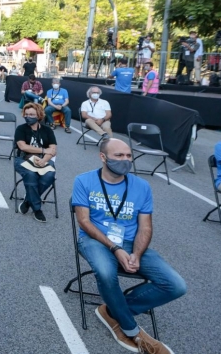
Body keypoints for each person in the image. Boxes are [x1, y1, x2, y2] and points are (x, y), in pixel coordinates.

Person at [71, 138, 186, 353]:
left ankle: (113, 311)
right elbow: (84, 222)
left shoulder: (141, 186)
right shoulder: (84, 181)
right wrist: (115, 249)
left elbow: (145, 227)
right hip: (94, 240)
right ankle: (133, 332)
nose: (125, 160)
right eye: (119, 155)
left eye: (128, 156)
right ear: (103, 157)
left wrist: (137, 254)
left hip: (131, 243)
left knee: (176, 285)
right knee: (106, 273)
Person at [14, 103, 57, 223]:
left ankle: (28, 200)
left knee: (49, 175)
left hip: (44, 159)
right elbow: (23, 146)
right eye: (26, 114)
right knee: (31, 175)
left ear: (39, 115)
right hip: (23, 159)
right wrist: (43, 150)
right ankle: (37, 209)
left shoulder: (47, 130)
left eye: (32, 114)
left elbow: (53, 150)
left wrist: (44, 160)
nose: (28, 117)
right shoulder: (21, 129)